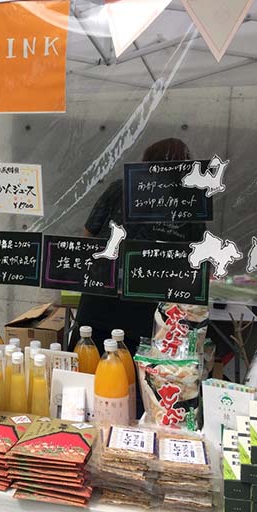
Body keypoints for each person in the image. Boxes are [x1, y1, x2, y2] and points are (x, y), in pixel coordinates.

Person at [72, 137, 206, 351]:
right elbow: (196, 256)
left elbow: (88, 234)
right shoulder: (189, 202)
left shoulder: (120, 189)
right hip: (148, 297)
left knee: (88, 356)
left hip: (103, 290)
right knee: (133, 363)